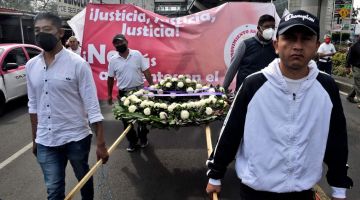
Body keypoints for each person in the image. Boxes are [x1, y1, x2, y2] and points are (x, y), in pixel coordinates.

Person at [206, 10, 352, 200]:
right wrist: (216, 174)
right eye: (290, 38)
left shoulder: (326, 86)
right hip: (255, 190)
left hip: (302, 191)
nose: (297, 46)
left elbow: (337, 138)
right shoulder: (253, 84)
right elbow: (231, 131)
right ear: (276, 44)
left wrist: (339, 186)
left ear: (316, 46)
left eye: (306, 39)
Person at [26, 12, 109, 200]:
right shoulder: (31, 66)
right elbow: (33, 106)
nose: (41, 34)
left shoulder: (78, 64)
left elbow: (92, 105)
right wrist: (35, 140)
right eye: (37, 31)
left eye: (47, 30)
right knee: (54, 190)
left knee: (83, 177)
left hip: (76, 138)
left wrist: (101, 143)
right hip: (46, 141)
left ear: (60, 33)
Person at [107, 33, 154, 152]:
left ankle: (143, 138)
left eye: (121, 42)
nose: (119, 44)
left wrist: (152, 86)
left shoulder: (137, 54)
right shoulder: (113, 60)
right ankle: (132, 142)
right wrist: (109, 94)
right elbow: (110, 78)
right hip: (124, 94)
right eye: (116, 43)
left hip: (139, 91)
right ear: (114, 46)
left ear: (126, 42)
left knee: (142, 118)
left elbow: (146, 71)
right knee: (126, 120)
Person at [223, 14, 277, 91]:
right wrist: (223, 90)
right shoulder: (245, 45)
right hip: (245, 92)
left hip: (266, 92)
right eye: (267, 26)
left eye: (272, 27)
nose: (270, 30)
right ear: (259, 28)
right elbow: (232, 69)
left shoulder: (276, 47)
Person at [345, 35, 360, 108]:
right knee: (359, 83)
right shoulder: (354, 46)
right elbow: (349, 57)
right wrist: (347, 67)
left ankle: (350, 96)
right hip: (356, 67)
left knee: (357, 83)